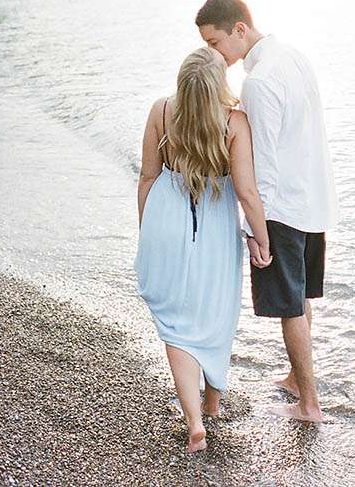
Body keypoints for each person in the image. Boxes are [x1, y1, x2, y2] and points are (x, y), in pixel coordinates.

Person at [196, 0, 338, 423]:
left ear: (240, 29)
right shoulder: (293, 56)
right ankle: (297, 380)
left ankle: (309, 403)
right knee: (301, 295)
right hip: (314, 199)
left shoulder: (257, 83)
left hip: (281, 208)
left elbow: (262, 166)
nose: (214, 54)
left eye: (216, 42)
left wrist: (257, 230)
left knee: (289, 306)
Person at [135, 47, 272, 452]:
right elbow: (246, 193)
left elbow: (147, 175)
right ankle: (211, 405)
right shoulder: (234, 122)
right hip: (212, 228)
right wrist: (262, 239)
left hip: (165, 221)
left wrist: (149, 232)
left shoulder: (161, 111)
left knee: (177, 324)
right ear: (219, 85)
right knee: (216, 313)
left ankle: (196, 420)